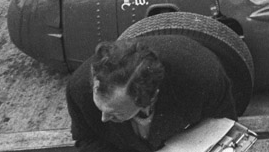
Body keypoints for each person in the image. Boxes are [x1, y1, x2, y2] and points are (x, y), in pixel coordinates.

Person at [66, 35, 237, 152]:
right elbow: (87, 140)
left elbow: (224, 125)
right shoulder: (78, 89)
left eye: (115, 114)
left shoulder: (203, 77)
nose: (103, 118)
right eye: (100, 106)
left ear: (150, 98)